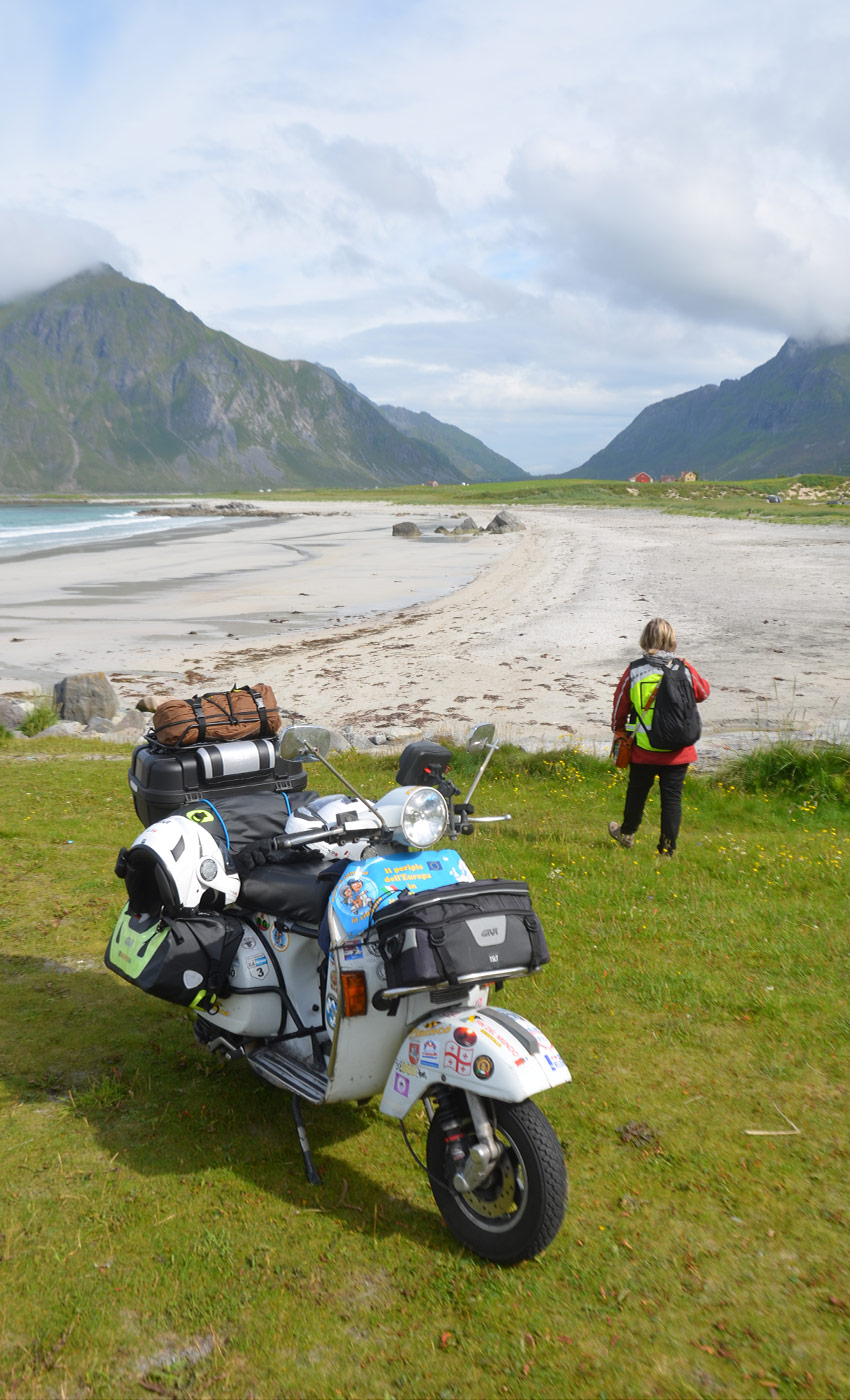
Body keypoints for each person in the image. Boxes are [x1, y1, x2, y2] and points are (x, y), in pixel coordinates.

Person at [608, 618, 710, 857]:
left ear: (645, 639)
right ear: (672, 640)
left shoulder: (635, 670)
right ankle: (666, 851)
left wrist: (618, 729)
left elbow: (620, 703)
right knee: (672, 800)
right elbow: (703, 693)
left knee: (637, 792)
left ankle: (626, 833)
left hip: (644, 748)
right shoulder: (684, 668)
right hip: (679, 749)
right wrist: (688, 667)